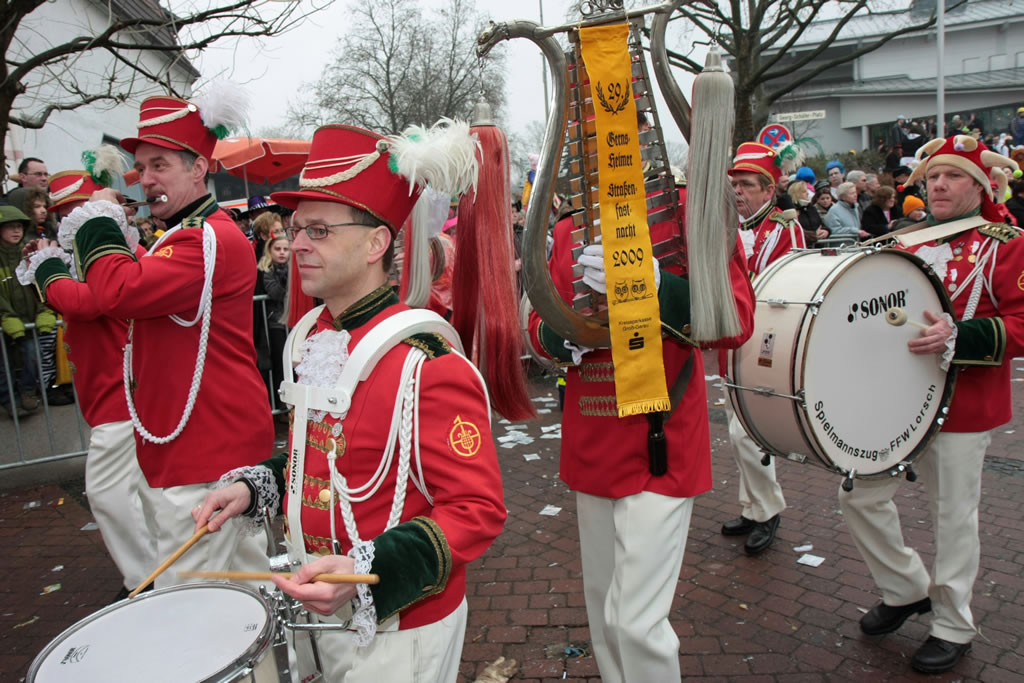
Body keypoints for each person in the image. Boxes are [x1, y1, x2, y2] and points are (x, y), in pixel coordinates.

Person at [194, 120, 511, 682]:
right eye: (297, 230)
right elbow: (329, 459)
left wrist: (367, 570)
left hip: (398, 627)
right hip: (324, 609)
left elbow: (476, 509)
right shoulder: (317, 339)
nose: (296, 245)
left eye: (318, 230)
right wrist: (257, 485)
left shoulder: (428, 363)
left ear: (375, 243)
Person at [525, 137, 755, 679]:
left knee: (635, 623)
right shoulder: (571, 226)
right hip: (593, 435)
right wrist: (569, 334)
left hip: (662, 437)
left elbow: (737, 319)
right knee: (604, 617)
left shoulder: (687, 208)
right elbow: (536, 325)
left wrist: (656, 286)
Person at [36, 89, 274, 588]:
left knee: (192, 598)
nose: (145, 180)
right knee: (244, 588)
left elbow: (116, 290)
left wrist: (97, 220)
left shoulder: (202, 236)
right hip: (202, 439)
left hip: (203, 446)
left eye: (160, 165)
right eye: (141, 168)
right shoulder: (188, 233)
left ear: (198, 168)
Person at [840, 134, 1022, 674]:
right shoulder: (906, 241)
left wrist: (960, 336)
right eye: (934, 176)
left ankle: (953, 623)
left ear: (981, 186)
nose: (939, 185)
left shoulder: (1005, 243)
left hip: (964, 403)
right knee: (860, 497)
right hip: (895, 401)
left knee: (953, 517)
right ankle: (906, 588)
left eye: (954, 176)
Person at [18, 151, 157, 598]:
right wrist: (47, 262)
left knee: (108, 493)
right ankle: (157, 572)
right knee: (139, 493)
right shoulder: (88, 253)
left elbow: (87, 302)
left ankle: (146, 579)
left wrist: (48, 266)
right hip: (113, 395)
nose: (66, 224)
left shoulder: (116, 251)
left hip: (125, 395)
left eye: (73, 213)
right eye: (62, 215)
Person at [717, 142, 805, 556]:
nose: (737, 191)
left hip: (763, 340)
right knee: (738, 429)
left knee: (747, 433)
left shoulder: (785, 228)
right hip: (731, 340)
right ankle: (753, 507)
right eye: (734, 184)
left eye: (747, 184)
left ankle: (768, 510)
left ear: (769, 190)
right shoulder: (725, 226)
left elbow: (792, 284)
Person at [0, 205, 53, 418]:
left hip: (28, 320)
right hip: (6, 321)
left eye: (19, 227)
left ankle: (28, 392)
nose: (16, 231)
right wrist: (7, 316)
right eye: (10, 227)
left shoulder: (28, 254)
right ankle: (10, 402)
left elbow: (38, 285)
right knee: (3, 366)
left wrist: (44, 311)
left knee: (33, 354)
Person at [256, 233, 289, 403]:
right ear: (270, 250)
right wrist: (286, 282)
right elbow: (276, 293)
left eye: (285, 249)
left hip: (291, 321)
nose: (282, 252)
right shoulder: (266, 271)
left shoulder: (293, 269)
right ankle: (280, 402)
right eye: (278, 249)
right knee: (279, 363)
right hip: (275, 322)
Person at [788, 180, 825, 247]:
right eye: (804, 191)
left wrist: (826, 231)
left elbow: (822, 224)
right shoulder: (792, 211)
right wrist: (814, 235)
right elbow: (795, 231)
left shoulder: (811, 208)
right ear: (796, 194)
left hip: (818, 246)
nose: (807, 193)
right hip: (803, 247)